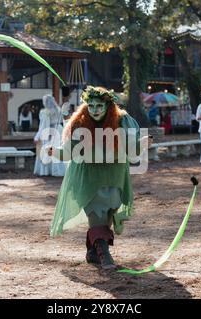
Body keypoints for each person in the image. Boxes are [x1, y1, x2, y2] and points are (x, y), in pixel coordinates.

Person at [49, 86, 152, 269]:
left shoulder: (122, 121)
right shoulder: (80, 124)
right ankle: (105, 256)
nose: (94, 110)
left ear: (108, 106)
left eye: (99, 106)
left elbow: (131, 149)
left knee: (108, 215)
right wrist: (54, 152)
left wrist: (142, 144)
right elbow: (68, 152)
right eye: (91, 106)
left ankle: (92, 251)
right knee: (96, 214)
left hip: (115, 176)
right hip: (90, 178)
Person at [33, 94, 66, 176]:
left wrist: (38, 136)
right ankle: (59, 170)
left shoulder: (45, 112)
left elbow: (44, 125)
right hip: (59, 130)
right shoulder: (58, 110)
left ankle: (47, 170)